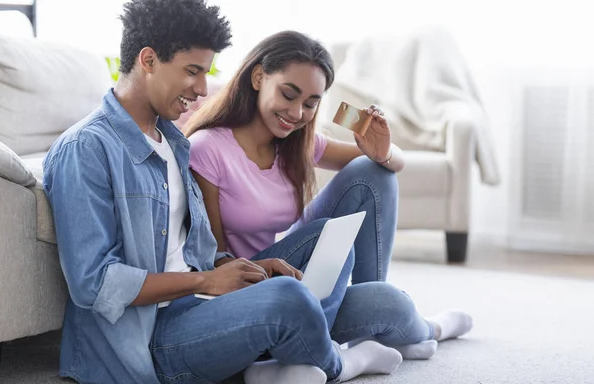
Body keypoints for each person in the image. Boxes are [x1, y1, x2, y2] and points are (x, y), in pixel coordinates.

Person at [43, 1, 406, 383]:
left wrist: (231, 267)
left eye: (205, 73)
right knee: (290, 298)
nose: (201, 89)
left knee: (341, 256)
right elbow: (93, 283)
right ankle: (341, 363)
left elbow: (191, 251)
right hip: (151, 338)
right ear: (148, 60)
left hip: (200, 305)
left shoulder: (171, 142)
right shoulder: (86, 149)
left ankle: (279, 364)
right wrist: (203, 281)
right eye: (192, 71)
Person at [183, 30, 474, 370]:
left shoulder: (296, 143)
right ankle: (306, 353)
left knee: (386, 299)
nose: (296, 112)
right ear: (259, 77)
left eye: (310, 103)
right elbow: (214, 260)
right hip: (246, 286)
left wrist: (383, 150)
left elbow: (385, 167)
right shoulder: (207, 149)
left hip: (291, 278)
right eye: (289, 94)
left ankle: (430, 329)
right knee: (329, 237)